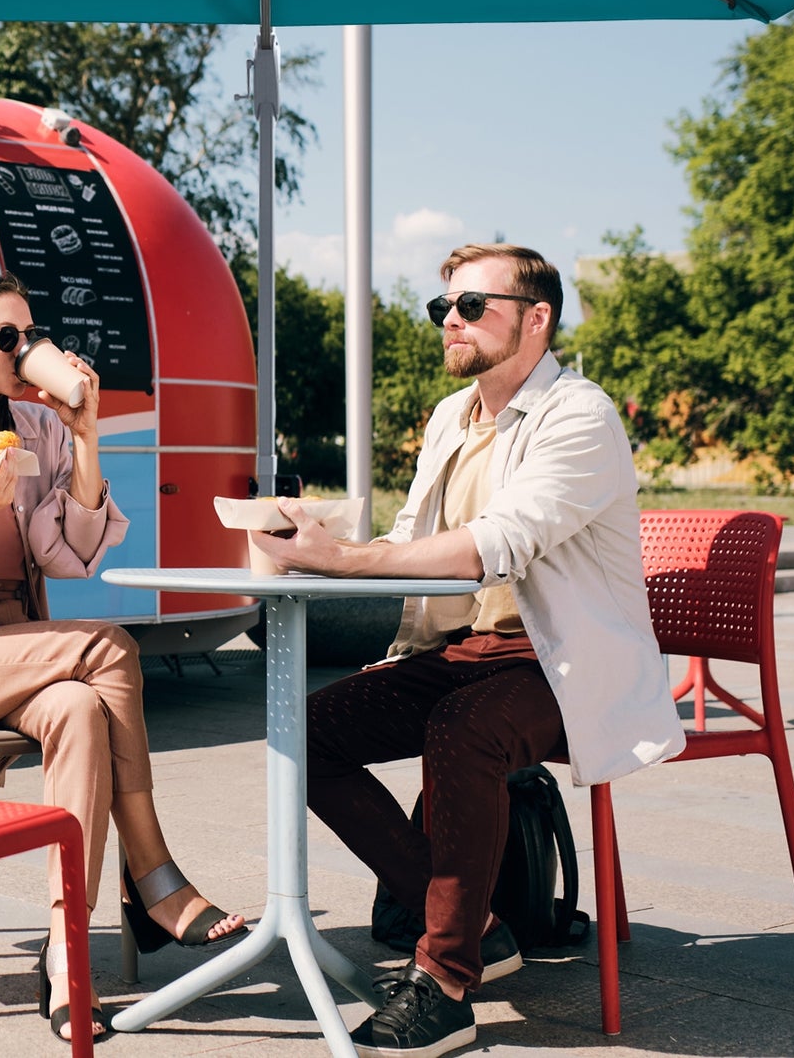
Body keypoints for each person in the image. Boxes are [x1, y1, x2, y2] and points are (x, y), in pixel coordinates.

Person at [251, 243, 684, 1058]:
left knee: (462, 728)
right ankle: (476, 925)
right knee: (306, 731)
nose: (450, 318)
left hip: (557, 659)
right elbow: (417, 540)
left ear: (536, 318)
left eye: (472, 305)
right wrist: (318, 541)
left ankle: (445, 983)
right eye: (442, 306)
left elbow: (497, 543)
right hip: (462, 648)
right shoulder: (453, 416)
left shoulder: (578, 414)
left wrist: (344, 560)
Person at [0, 269, 245, 1042]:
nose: (23, 349)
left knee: (79, 706)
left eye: (29, 335)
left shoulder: (36, 428)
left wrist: (89, 432)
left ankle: (67, 960)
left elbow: (77, 558)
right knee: (108, 645)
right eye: (6, 337)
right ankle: (153, 873)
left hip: (18, 646)